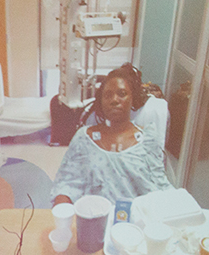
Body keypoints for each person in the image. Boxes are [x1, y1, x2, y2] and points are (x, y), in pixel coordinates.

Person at [51, 63, 173, 206]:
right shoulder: (84, 138)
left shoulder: (147, 140)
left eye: (122, 94)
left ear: (132, 98)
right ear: (101, 102)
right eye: (108, 95)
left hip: (136, 222)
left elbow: (161, 187)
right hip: (93, 218)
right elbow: (66, 184)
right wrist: (63, 214)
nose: (114, 100)